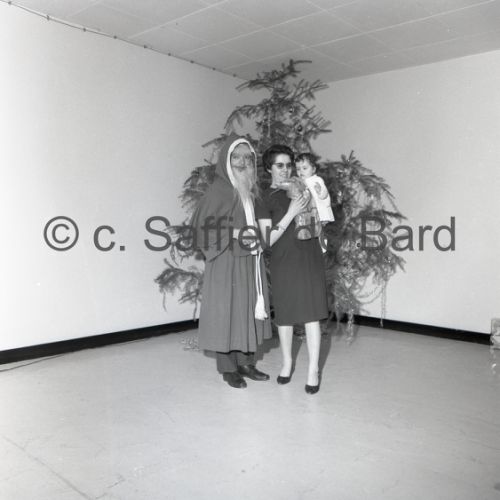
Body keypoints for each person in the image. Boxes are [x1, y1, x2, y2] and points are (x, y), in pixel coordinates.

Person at [191, 134, 272, 389]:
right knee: (227, 312)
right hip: (226, 261)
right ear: (226, 160)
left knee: (245, 310)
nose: (242, 162)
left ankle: (246, 363)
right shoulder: (218, 191)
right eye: (236, 157)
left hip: (248, 259)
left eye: (247, 157)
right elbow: (200, 228)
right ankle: (228, 368)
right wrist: (235, 233)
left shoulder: (249, 190)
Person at [256, 144, 329, 394]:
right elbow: (267, 239)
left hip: (309, 255)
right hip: (284, 259)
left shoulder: (303, 187)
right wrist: (291, 212)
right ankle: (287, 363)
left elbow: (322, 208)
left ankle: (313, 370)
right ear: (269, 168)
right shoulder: (264, 197)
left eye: (289, 165)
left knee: (311, 314)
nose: (286, 170)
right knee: (285, 315)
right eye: (280, 165)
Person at [295, 153, 334, 224]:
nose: (301, 171)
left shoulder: (317, 180)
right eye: (298, 169)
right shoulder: (299, 181)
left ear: (313, 169)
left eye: (304, 168)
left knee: (316, 226)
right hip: (307, 211)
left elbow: (325, 194)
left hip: (319, 210)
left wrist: (320, 191)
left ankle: (323, 220)